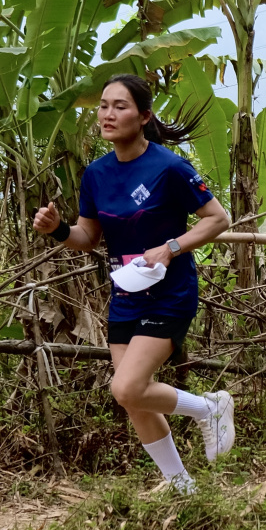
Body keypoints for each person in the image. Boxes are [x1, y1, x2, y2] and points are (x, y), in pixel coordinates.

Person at [33, 74, 234, 493]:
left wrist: (171, 247)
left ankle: (208, 407)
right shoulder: (96, 174)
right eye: (103, 105)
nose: (107, 114)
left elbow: (218, 219)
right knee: (132, 398)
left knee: (125, 386)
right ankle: (182, 488)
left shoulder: (169, 167)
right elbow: (87, 237)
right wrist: (57, 230)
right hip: (125, 295)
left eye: (120, 106)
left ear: (143, 117)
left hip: (170, 294)